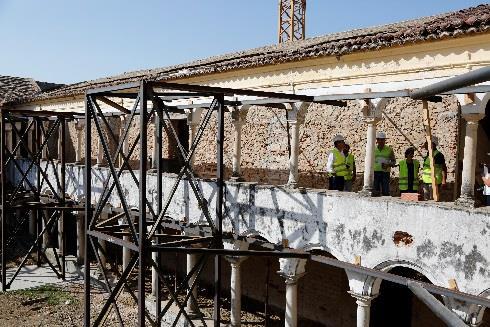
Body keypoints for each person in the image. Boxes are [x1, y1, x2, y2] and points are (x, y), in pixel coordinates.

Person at [422, 136, 447, 200]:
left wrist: (444, 181)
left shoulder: (438, 155)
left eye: (427, 143)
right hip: (426, 181)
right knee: (426, 200)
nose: (425, 144)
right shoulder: (428, 154)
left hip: (434, 181)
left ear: (432, 144)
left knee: (433, 200)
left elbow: (443, 168)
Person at [374, 132, 395, 196]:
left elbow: (394, 162)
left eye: (382, 140)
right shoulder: (373, 149)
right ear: (377, 140)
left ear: (385, 140)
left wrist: (388, 165)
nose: (381, 141)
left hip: (385, 173)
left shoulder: (389, 150)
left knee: (385, 191)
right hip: (375, 173)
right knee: (375, 191)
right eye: (379, 139)